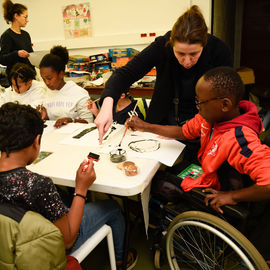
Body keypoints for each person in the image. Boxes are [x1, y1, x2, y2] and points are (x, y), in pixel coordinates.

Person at [0, 102, 138, 270]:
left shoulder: (33, 185)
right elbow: (67, 240)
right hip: (47, 247)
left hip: (10, 242)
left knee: (61, 194)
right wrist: (81, 188)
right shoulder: (38, 185)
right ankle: (120, 259)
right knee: (113, 207)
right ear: (36, 141)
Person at [127, 66, 270, 213]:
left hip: (216, 189)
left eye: (201, 102)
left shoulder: (240, 138)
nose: (198, 108)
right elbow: (183, 132)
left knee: (155, 182)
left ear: (225, 104)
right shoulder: (210, 119)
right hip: (209, 174)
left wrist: (232, 196)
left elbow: (268, 184)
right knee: (171, 169)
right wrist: (145, 126)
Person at [95, 5, 232, 143]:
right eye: (180, 54)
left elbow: (225, 97)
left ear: (204, 44)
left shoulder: (219, 50)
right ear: (171, 42)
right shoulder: (162, 45)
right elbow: (125, 74)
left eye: (194, 54)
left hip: (204, 122)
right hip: (167, 119)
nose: (187, 62)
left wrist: (183, 132)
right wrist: (107, 104)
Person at [38, 45, 93, 128]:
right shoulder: (44, 91)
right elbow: (50, 122)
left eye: (49, 78)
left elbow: (90, 123)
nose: (46, 83)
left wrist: (72, 120)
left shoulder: (79, 93)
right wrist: (45, 117)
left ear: (61, 74)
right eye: (43, 79)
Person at [0, 0, 34, 79]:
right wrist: (17, 54)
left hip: (29, 75)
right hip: (17, 78)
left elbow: (31, 55)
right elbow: (2, 59)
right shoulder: (7, 36)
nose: (27, 20)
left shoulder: (26, 34)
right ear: (16, 16)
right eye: (25, 17)